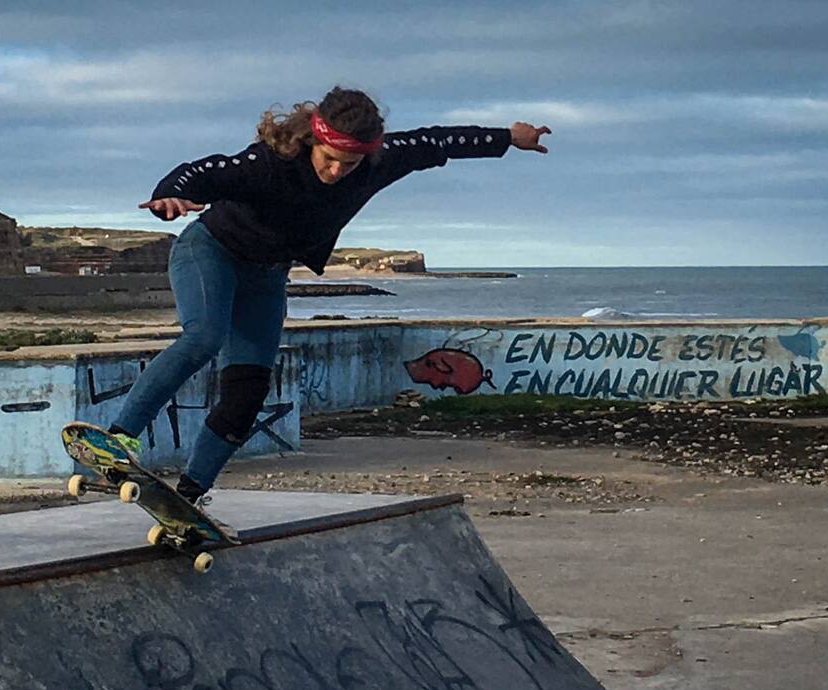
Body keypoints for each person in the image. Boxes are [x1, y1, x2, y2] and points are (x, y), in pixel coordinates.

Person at [108, 86, 551, 503]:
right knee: (204, 336)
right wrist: (171, 195)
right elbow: (201, 171)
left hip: (267, 277)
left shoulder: (378, 161)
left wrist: (509, 137)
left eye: (349, 164)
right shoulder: (270, 161)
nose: (337, 172)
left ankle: (189, 496)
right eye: (330, 159)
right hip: (211, 253)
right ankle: (119, 438)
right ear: (313, 141)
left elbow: (436, 141)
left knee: (248, 391)